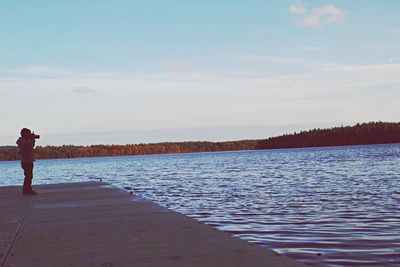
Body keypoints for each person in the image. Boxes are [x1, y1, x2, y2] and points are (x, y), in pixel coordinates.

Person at [16, 128, 39, 195]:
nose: (30, 135)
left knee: (29, 176)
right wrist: (31, 139)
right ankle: (26, 190)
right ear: (24, 134)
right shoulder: (21, 141)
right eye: (28, 133)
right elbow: (28, 146)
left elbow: (31, 146)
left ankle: (28, 189)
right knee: (28, 175)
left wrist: (32, 139)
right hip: (25, 160)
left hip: (29, 160)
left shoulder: (26, 140)